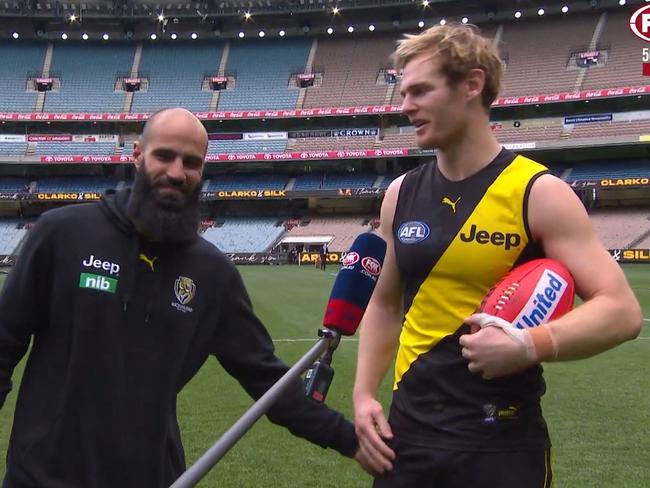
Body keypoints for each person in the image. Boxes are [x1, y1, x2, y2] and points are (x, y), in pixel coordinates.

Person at [0, 108, 387, 487]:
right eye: (164, 156)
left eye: (191, 162)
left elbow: (269, 380)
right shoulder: (61, 234)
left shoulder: (212, 275)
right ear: (137, 156)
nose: (176, 172)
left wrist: (350, 440)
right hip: (40, 475)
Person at [352, 24, 642, 487]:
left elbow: (622, 312)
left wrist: (530, 345)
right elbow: (385, 304)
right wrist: (364, 393)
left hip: (503, 445)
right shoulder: (399, 195)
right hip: (409, 440)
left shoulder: (538, 192)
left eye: (420, 91)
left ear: (472, 84)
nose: (404, 107)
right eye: (403, 93)